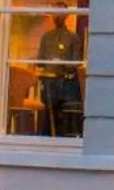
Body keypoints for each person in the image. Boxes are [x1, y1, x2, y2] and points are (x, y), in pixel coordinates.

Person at [34, 9, 84, 137]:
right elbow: (40, 60)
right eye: (55, 13)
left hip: (67, 84)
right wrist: (48, 62)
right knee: (48, 118)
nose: (58, 16)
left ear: (66, 15)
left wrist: (61, 63)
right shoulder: (46, 37)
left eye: (60, 13)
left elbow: (76, 62)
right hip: (50, 84)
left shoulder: (73, 37)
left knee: (67, 120)